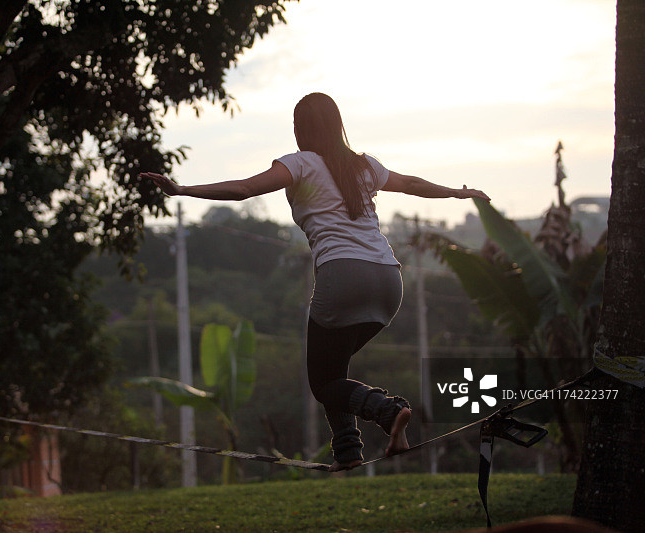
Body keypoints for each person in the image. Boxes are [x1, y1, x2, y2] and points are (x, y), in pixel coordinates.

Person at [141, 92, 490, 472]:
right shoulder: (364, 165)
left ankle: (389, 411)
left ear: (300, 129)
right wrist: (458, 193)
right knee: (333, 372)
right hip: (389, 279)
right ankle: (348, 452)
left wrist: (183, 190)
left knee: (323, 383)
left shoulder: (299, 164)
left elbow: (243, 190)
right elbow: (410, 183)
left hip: (343, 277)